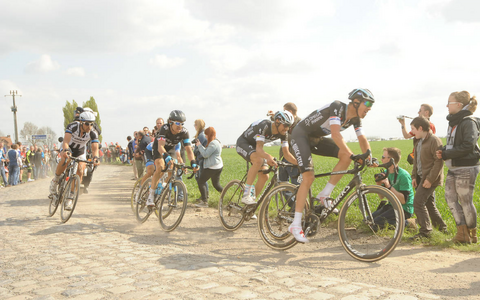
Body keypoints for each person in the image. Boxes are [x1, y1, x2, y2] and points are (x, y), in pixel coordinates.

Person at [288, 88, 375, 243]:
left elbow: (362, 139)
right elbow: (335, 134)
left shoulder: (355, 119)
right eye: (367, 103)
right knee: (308, 178)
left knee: (345, 157)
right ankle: (295, 225)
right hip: (300, 135)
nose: (369, 108)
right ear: (355, 102)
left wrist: (369, 156)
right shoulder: (337, 107)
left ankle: (324, 195)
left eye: (371, 105)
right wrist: (353, 155)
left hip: (316, 139)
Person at [437, 91, 480, 244]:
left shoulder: (469, 122)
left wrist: (447, 153)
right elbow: (453, 144)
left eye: (449, 102)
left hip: (466, 166)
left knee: (465, 201)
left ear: (459, 105)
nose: (447, 105)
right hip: (453, 166)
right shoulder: (454, 122)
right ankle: (462, 233)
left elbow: (468, 146)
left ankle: (472, 234)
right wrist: (443, 150)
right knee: (450, 199)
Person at [236, 111, 297, 205]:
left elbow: (286, 153)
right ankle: (246, 194)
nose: (287, 129)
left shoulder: (283, 134)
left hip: (255, 148)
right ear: (277, 121)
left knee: (265, 176)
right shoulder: (264, 126)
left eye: (289, 126)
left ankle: (250, 204)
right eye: (285, 125)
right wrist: (268, 157)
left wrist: (299, 164)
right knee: (258, 160)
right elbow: (259, 148)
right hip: (244, 143)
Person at [49, 111, 100, 210]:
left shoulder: (93, 132)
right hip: (69, 147)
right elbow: (66, 141)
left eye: (91, 124)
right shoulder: (73, 126)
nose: (89, 126)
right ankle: (55, 180)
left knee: (81, 170)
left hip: (80, 150)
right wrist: (66, 151)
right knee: (65, 159)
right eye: (86, 124)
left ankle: (70, 198)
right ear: (81, 122)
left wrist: (96, 158)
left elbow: (95, 148)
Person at [146, 110, 199, 207]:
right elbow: (160, 147)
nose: (180, 126)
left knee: (173, 169)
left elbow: (189, 150)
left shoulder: (184, 132)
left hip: (171, 149)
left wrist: (193, 162)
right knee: (160, 167)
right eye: (177, 123)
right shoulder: (164, 128)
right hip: (159, 148)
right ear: (171, 122)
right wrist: (165, 157)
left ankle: (162, 188)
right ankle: (151, 196)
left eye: (182, 123)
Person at [409, 116, 447, 240]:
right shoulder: (417, 140)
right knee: (429, 204)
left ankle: (425, 232)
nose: (412, 132)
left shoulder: (434, 140)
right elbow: (416, 161)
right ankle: (442, 229)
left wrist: (430, 180)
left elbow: (438, 162)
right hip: (420, 177)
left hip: (430, 179)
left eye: (413, 129)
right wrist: (414, 176)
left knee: (418, 203)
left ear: (421, 128)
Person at [373, 147, 414, 230]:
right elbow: (381, 197)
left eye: (383, 157)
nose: (381, 159)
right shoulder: (385, 173)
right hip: (392, 205)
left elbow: (403, 201)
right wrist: (379, 185)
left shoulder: (403, 175)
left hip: (404, 209)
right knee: (368, 220)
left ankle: (409, 223)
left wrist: (389, 186)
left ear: (391, 160)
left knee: (376, 225)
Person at [194, 127, 224, 208]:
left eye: (206, 135)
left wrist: (199, 145)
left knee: (201, 181)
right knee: (216, 184)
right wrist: (199, 145)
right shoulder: (216, 142)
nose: (205, 136)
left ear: (210, 135)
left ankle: (204, 202)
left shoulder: (213, 143)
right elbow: (207, 151)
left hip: (212, 167)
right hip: (217, 166)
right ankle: (226, 198)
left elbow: (205, 154)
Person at [278, 102, 302, 186]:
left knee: (296, 186)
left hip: (294, 158)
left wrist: (284, 133)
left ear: (290, 111)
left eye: (284, 111)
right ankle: (290, 200)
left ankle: (297, 200)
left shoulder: (301, 124)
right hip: (284, 157)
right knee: (282, 185)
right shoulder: (285, 122)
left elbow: (296, 139)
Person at [193, 119, 209, 204]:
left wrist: (195, 152)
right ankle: (204, 195)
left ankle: (205, 196)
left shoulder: (201, 136)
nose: (194, 126)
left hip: (201, 159)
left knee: (201, 179)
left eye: (195, 125)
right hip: (200, 158)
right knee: (199, 178)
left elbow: (201, 148)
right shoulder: (201, 135)